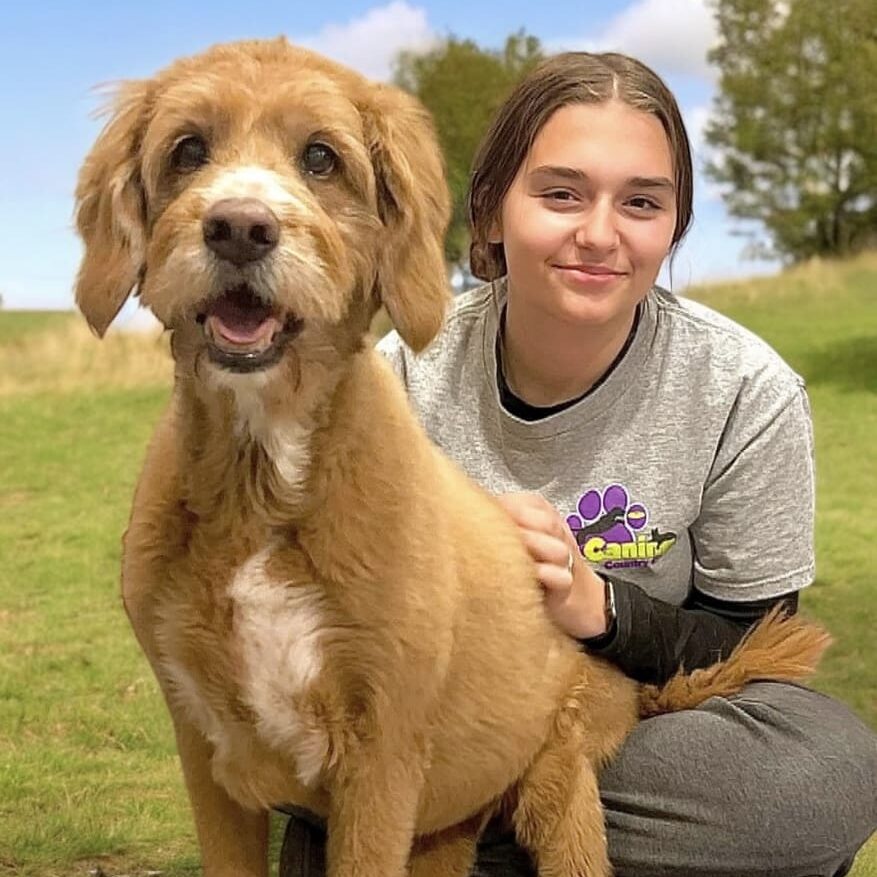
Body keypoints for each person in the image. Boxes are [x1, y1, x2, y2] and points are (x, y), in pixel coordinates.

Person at [280, 51, 876, 876]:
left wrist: (599, 607)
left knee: (818, 772)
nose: (598, 233)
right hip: (436, 719)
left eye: (639, 202)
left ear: (672, 226)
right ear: (489, 210)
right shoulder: (399, 375)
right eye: (560, 193)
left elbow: (750, 649)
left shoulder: (746, 389)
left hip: (639, 724)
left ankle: (427, 831)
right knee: (311, 740)